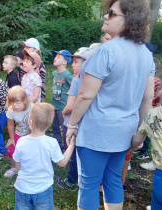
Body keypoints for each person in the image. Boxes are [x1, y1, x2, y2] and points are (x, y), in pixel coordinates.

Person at [66, 0, 154, 209]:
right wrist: (139, 133)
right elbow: (147, 99)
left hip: (97, 131)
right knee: (113, 180)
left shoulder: (106, 51)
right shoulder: (145, 54)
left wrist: (72, 125)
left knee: (88, 184)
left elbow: (86, 95)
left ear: (129, 19)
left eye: (112, 14)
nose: (106, 16)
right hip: (125, 132)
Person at [13, 103, 76, 209]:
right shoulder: (51, 142)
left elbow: (17, 163)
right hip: (43, 190)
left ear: (30, 122)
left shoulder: (21, 141)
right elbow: (62, 162)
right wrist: (72, 145)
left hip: (22, 189)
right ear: (49, 124)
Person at [56, 47, 94, 190]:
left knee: (73, 151)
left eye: (76, 62)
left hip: (72, 122)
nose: (72, 65)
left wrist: (63, 112)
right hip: (86, 122)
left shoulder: (77, 81)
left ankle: (71, 181)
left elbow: (71, 106)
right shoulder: (94, 82)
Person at [130, 106, 162, 210]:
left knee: (157, 204)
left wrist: (131, 147)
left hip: (160, 176)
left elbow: (137, 139)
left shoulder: (153, 113)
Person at [4, 86, 33, 177]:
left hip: (32, 134)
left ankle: (29, 168)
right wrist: (12, 139)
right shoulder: (11, 110)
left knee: (29, 152)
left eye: (18, 102)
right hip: (19, 133)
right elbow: (10, 124)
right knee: (10, 149)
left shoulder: (32, 107)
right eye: (13, 102)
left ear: (24, 100)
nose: (15, 105)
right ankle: (14, 168)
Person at [51, 49, 73, 152]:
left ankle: (65, 148)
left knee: (63, 128)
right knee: (55, 127)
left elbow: (74, 87)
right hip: (54, 106)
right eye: (56, 56)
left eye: (59, 57)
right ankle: (58, 146)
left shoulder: (67, 75)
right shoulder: (55, 73)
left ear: (65, 62)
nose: (55, 58)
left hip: (63, 107)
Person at [19, 38, 47, 102]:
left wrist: (42, 102)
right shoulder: (23, 63)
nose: (25, 48)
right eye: (25, 46)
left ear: (35, 50)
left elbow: (42, 84)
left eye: (28, 47)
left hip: (32, 103)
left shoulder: (40, 65)